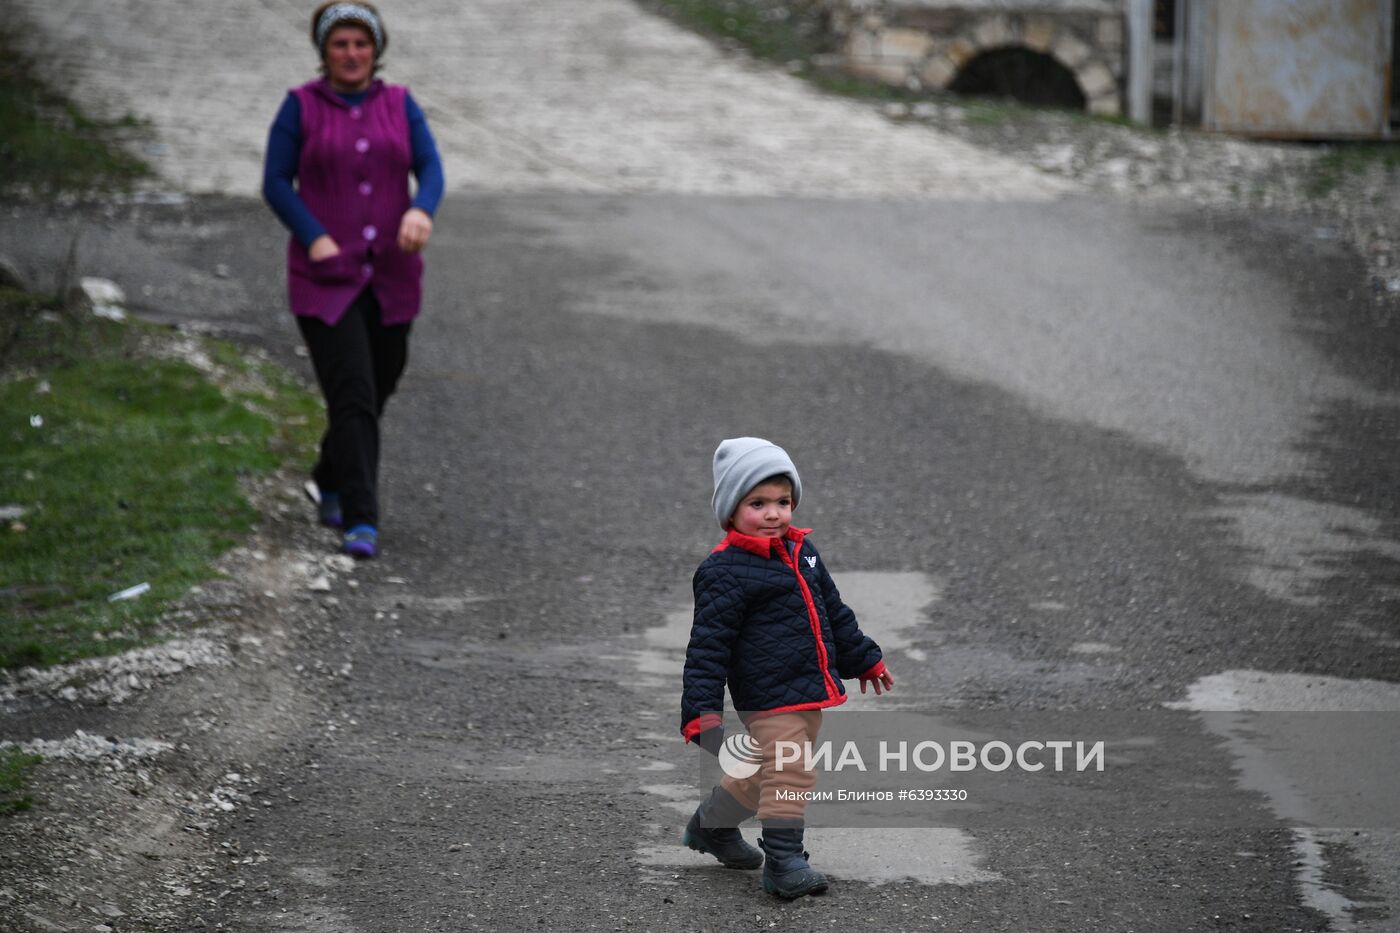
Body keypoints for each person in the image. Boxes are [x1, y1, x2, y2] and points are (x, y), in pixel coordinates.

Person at [262, 1, 444, 559]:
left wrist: (421, 210)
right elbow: (275, 181)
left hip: (393, 276)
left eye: (360, 44)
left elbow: (430, 168)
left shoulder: (399, 103)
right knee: (354, 394)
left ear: (375, 49)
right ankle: (362, 519)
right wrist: (313, 235)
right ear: (325, 52)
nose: (351, 54)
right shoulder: (300, 107)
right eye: (340, 44)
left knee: (378, 385)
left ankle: (328, 474)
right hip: (325, 279)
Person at [680, 437, 895, 899]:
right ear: (731, 510)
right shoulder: (724, 571)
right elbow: (707, 647)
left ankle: (711, 826)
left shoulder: (803, 552)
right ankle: (784, 861)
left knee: (768, 771)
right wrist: (702, 711)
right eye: (758, 503)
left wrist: (864, 658)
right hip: (767, 694)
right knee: (791, 771)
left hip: (806, 687)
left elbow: (833, 611)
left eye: (783, 501)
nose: (774, 513)